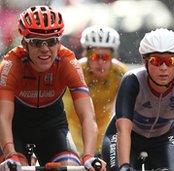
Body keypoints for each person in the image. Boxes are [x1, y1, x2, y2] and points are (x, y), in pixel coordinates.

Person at [0, 5, 106, 171]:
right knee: (15, 167)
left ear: (59, 42)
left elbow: (87, 116)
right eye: (36, 42)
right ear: (24, 43)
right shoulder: (11, 64)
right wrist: (10, 154)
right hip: (15, 127)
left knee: (70, 167)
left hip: (52, 126)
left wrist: (89, 155)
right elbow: (3, 116)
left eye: (51, 41)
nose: (44, 49)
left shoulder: (67, 61)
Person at [101, 28, 174, 171]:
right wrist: (124, 166)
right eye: (156, 61)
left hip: (162, 140)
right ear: (145, 62)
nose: (163, 68)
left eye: (170, 61)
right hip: (126, 137)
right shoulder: (132, 80)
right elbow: (123, 129)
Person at [63, 25, 128, 154]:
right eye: (94, 57)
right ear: (86, 56)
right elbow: (64, 108)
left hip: (102, 127)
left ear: (112, 57)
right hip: (74, 125)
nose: (100, 62)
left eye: (105, 57)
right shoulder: (76, 71)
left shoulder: (121, 74)